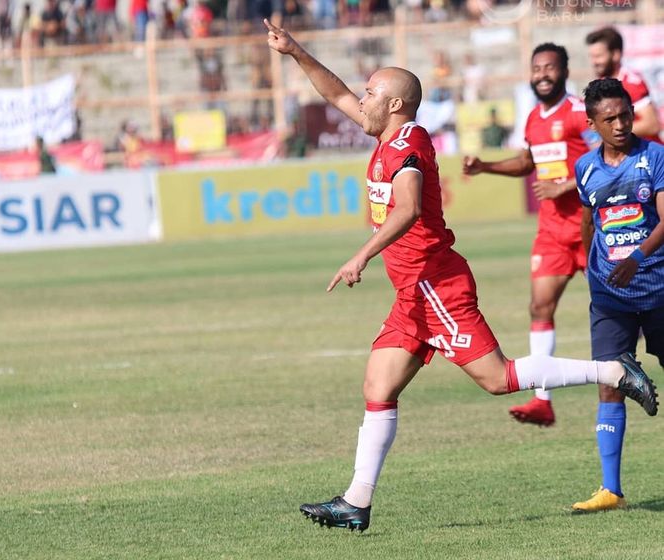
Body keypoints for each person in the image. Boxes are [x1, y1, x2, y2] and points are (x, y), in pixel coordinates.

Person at [263, 20, 658, 532]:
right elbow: (334, 90)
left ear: (395, 105)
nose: (360, 101)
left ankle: (613, 372)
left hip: (435, 284)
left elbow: (405, 209)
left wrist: (361, 255)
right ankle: (356, 502)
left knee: (498, 378)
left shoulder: (411, 145)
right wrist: (295, 52)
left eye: (371, 94)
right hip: (412, 291)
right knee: (377, 386)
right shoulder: (385, 131)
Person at [463, 44, 600, 427]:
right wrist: (485, 166)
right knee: (540, 307)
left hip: (591, 227)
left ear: (565, 71)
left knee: (617, 308)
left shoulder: (578, 113)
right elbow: (527, 162)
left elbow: (606, 157)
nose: (542, 74)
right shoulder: (534, 119)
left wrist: (566, 186)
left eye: (550, 67)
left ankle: (623, 370)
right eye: (536, 67)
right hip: (553, 233)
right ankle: (543, 400)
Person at [571, 78, 664, 512]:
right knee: (609, 382)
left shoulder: (655, 157)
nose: (621, 124)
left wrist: (638, 256)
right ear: (593, 123)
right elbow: (589, 222)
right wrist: (591, 267)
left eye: (625, 115)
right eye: (609, 119)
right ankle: (611, 490)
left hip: (658, 288)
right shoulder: (586, 169)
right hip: (610, 296)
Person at [585, 27, 661, 144]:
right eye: (592, 57)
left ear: (615, 54)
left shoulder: (631, 83)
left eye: (598, 56)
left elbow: (652, 124)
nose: (594, 62)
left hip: (647, 157)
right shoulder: (601, 83)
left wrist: (608, 132)